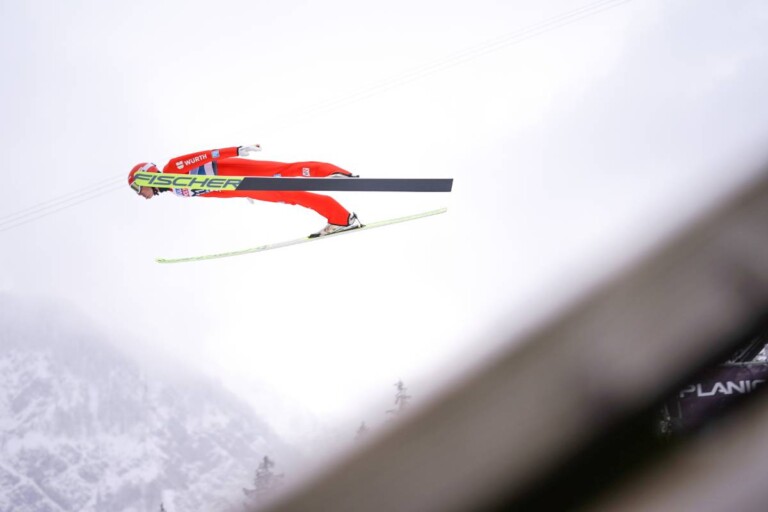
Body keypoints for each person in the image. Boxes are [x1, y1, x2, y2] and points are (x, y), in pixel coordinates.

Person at [128, 144, 362, 237]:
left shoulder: (171, 169)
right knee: (291, 196)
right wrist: (243, 193)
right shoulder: (174, 190)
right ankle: (342, 219)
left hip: (237, 171)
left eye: (138, 189)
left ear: (145, 177)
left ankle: (331, 172)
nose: (141, 195)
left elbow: (204, 156)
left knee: (283, 171)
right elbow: (212, 192)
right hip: (243, 188)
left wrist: (236, 149)